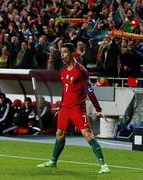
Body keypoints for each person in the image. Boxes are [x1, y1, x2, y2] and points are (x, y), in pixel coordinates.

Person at [37, 43, 110, 174]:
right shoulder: (63, 71)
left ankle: (104, 165)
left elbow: (89, 90)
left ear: (72, 53)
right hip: (65, 108)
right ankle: (53, 161)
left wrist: (98, 109)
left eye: (65, 52)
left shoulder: (81, 71)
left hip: (77, 108)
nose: (62, 56)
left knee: (87, 134)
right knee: (59, 134)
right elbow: (65, 91)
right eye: (61, 53)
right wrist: (61, 106)